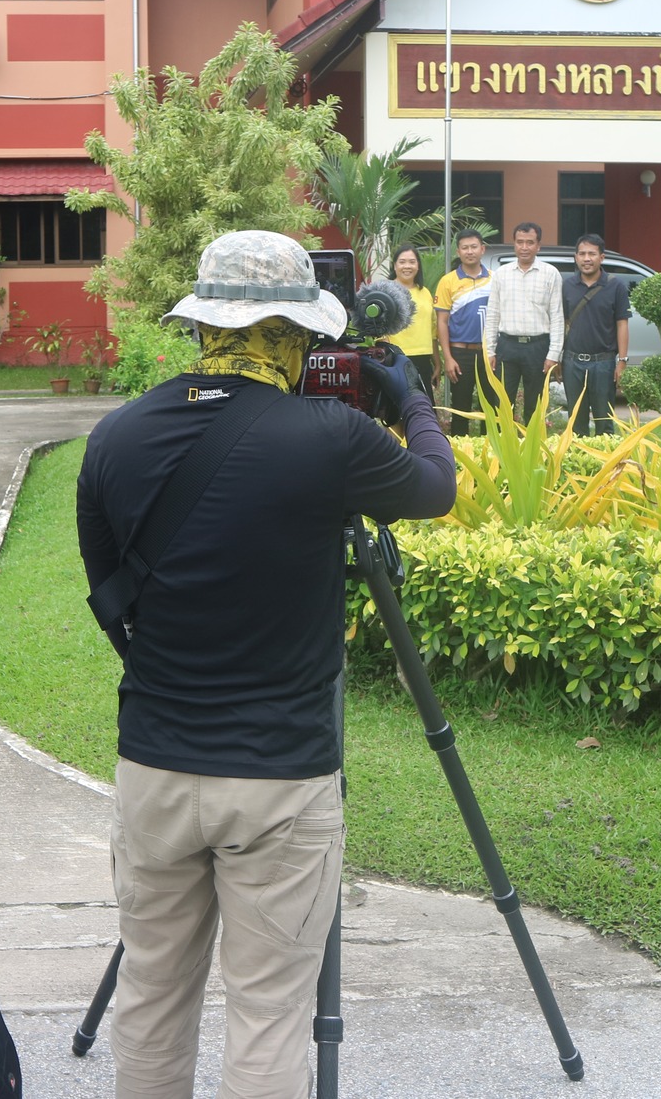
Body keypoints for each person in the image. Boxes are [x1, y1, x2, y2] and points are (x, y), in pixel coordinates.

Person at [77, 230, 454, 1099]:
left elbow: (111, 601)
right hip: (281, 778)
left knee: (152, 993)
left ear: (203, 324)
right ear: (297, 333)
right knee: (268, 1011)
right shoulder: (330, 436)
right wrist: (411, 398)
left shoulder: (115, 436)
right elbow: (436, 486)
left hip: (155, 767)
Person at [482, 222, 565, 426]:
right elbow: (493, 314)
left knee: (535, 405)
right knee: (503, 403)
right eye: (520, 242)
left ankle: (533, 443)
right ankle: (503, 442)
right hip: (507, 346)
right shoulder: (502, 274)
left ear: (538, 246)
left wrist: (553, 354)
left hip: (538, 347)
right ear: (514, 244)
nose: (524, 247)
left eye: (530, 242)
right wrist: (490, 350)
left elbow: (557, 316)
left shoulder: (551, 274)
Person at [559, 234, 630, 437]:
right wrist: (557, 358)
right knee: (576, 422)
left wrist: (622, 361)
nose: (586, 258)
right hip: (572, 362)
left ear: (602, 257)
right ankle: (578, 456)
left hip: (603, 363)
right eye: (582, 254)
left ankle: (606, 456)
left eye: (592, 254)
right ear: (576, 257)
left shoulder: (616, 286)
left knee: (604, 421)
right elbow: (562, 323)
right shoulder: (567, 286)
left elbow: (622, 324)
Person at [434, 229, 494, 435]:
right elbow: (442, 322)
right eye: (465, 248)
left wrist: (494, 352)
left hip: (489, 353)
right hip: (460, 354)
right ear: (458, 252)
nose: (470, 251)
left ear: (482, 249)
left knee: (491, 407)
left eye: (474, 247)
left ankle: (492, 451)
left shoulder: (495, 279)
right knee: (460, 407)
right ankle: (460, 450)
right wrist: (448, 358)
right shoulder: (448, 281)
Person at [380, 245, 438, 394]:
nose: (407, 266)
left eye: (412, 262)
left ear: (418, 265)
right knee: (398, 404)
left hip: (423, 358)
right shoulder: (385, 291)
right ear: (395, 266)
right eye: (402, 262)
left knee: (424, 404)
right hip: (395, 356)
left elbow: (432, 330)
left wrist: (437, 362)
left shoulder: (424, 292)